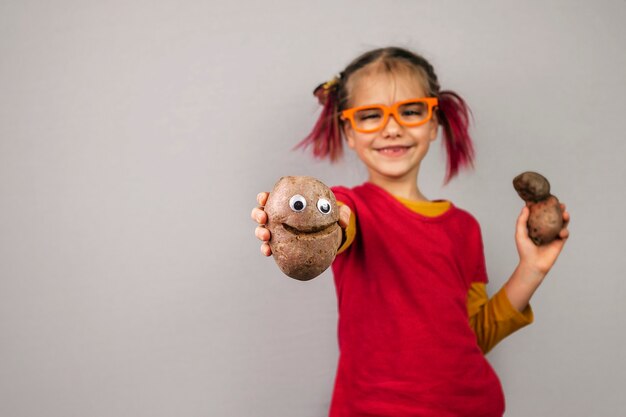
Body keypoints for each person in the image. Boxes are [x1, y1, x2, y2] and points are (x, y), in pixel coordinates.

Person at [250, 46, 569, 417]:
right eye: (370, 115)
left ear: (434, 122)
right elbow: (338, 221)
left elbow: (475, 336)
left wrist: (532, 268)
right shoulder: (348, 207)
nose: (392, 127)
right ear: (348, 131)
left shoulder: (464, 228)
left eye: (411, 111)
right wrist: (304, 219)